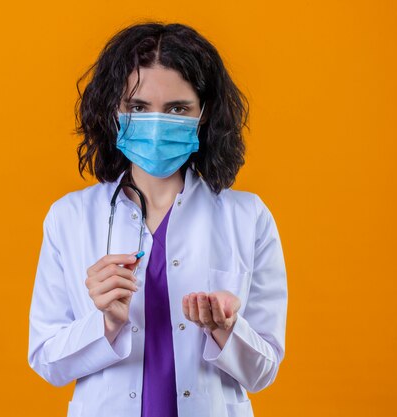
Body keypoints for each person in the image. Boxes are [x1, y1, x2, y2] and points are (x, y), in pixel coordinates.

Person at [28, 21, 288, 417]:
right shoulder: (70, 218)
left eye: (177, 109)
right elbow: (47, 360)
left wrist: (224, 329)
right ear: (113, 111)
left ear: (204, 115)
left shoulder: (248, 218)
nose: (156, 124)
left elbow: (263, 371)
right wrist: (106, 324)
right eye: (138, 108)